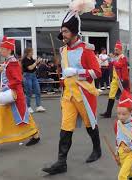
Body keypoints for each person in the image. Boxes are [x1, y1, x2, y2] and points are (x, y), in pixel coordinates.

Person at [42, 3, 102, 175]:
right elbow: (66, 72)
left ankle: (97, 150)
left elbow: (97, 73)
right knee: (65, 128)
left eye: (66, 31)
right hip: (68, 96)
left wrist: (78, 71)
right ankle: (61, 162)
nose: (63, 34)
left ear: (74, 32)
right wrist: (63, 78)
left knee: (91, 125)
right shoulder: (63, 50)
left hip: (84, 95)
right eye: (62, 31)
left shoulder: (87, 50)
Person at [0, 37, 40, 152]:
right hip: (9, 94)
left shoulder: (13, 63)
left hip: (13, 95)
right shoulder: (7, 62)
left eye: (1, 48)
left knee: (21, 117)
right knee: (8, 117)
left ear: (7, 49)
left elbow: (18, 80)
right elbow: (3, 79)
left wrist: (4, 88)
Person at [100, 40, 130, 118]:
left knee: (125, 96)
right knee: (111, 95)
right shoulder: (116, 57)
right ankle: (108, 113)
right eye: (115, 49)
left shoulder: (123, 58)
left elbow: (119, 65)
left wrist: (112, 59)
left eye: (116, 49)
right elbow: (111, 65)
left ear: (120, 50)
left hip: (122, 79)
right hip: (115, 79)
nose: (115, 51)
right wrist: (110, 59)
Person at [21, 48, 46, 113]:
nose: (32, 53)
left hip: (34, 76)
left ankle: (38, 106)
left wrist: (38, 63)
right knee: (29, 92)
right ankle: (28, 107)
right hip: (27, 76)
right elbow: (30, 68)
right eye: (31, 52)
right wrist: (36, 62)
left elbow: (34, 67)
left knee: (38, 91)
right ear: (28, 52)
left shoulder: (31, 59)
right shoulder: (24, 60)